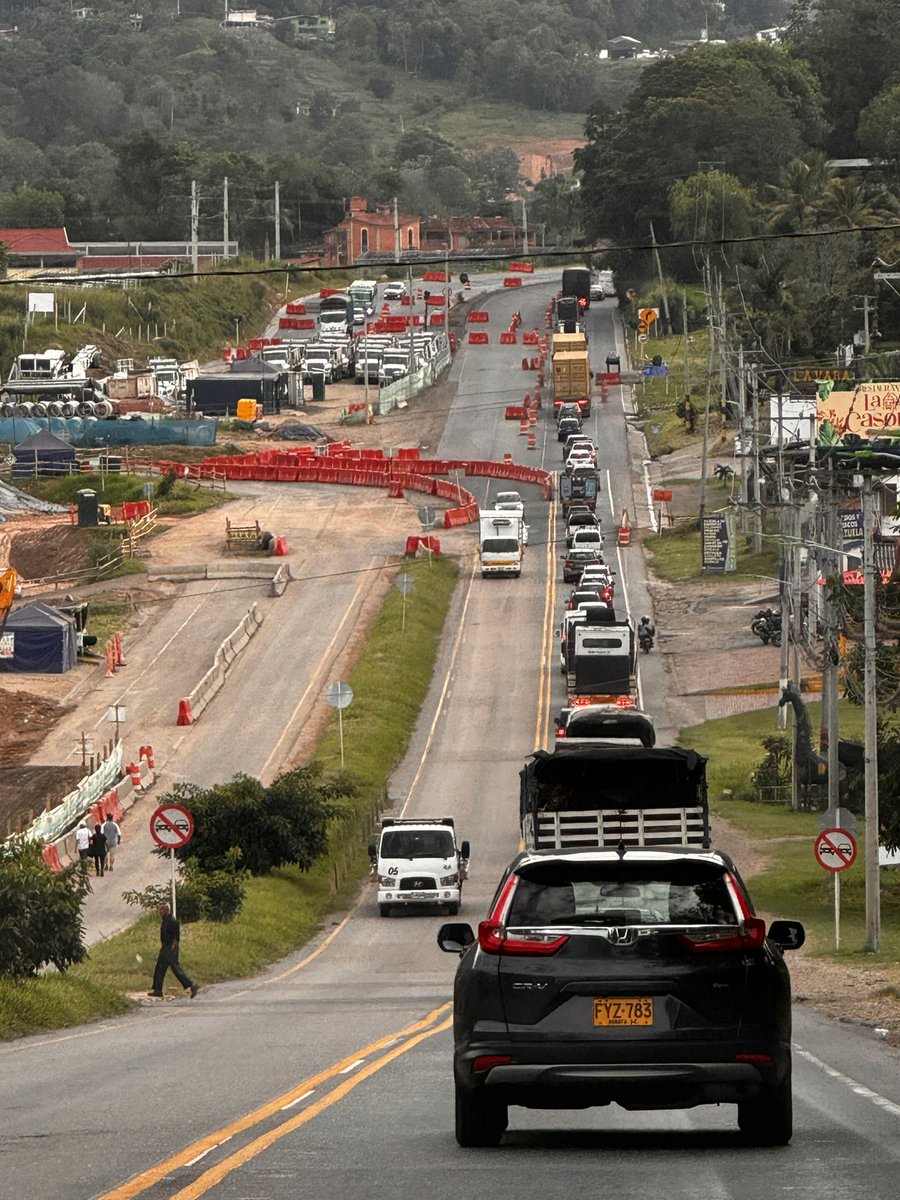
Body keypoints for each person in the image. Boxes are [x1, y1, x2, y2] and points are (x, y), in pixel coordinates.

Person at [148, 903, 199, 999]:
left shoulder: (172, 921)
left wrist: (172, 950)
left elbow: (176, 938)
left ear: (167, 910)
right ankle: (157, 990)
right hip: (165, 947)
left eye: (162, 909)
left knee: (176, 969)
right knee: (159, 968)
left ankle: (192, 985)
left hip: (170, 949)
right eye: (159, 909)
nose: (160, 911)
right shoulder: (165, 920)